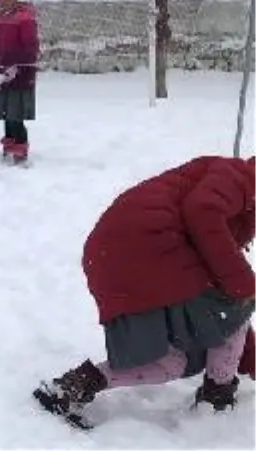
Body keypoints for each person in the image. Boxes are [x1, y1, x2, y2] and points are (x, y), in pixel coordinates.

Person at [34, 155, 256, 428]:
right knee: (236, 300)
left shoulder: (241, 205)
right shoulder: (242, 175)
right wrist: (244, 287)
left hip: (113, 256)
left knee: (175, 361)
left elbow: (225, 311)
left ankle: (74, 385)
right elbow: (203, 208)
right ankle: (217, 400)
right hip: (147, 245)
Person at [0, 0, 38, 164]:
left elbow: (31, 47)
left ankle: (21, 151)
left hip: (20, 74)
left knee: (16, 115)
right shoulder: (0, 17)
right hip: (2, 73)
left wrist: (17, 66)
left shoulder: (25, 17)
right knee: (6, 113)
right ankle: (9, 147)